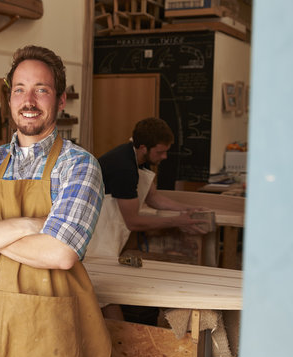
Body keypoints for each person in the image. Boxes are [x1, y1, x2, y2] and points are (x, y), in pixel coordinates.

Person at [0, 45, 111, 357]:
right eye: (19, 90)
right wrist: (27, 225)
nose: (28, 101)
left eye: (40, 90)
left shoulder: (79, 166)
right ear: (9, 100)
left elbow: (60, 253)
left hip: (52, 327)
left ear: (60, 100)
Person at [86, 117, 208, 320]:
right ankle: (120, 346)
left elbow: (153, 198)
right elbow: (133, 221)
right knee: (104, 296)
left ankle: (119, 343)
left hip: (107, 240)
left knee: (105, 296)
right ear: (143, 147)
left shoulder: (139, 160)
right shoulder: (123, 167)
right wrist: (178, 221)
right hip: (94, 242)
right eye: (160, 152)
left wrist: (187, 210)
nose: (165, 156)